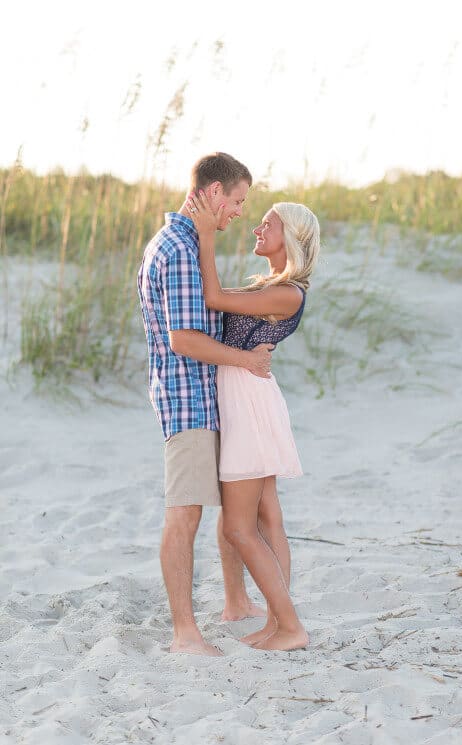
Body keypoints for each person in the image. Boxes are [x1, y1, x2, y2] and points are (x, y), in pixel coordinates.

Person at [136, 152, 272, 655]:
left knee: (229, 509)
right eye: (236, 200)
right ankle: (184, 634)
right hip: (187, 399)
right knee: (184, 514)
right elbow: (185, 339)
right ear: (214, 193)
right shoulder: (176, 248)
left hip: (206, 399)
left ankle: (235, 603)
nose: (238, 211)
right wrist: (245, 360)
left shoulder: (190, 243)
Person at [185, 193, 320, 652]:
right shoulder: (271, 286)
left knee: (240, 526)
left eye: (268, 224)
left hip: (248, 403)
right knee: (265, 516)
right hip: (247, 395)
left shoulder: (287, 292)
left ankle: (289, 625)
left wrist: (205, 234)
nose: (257, 230)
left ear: (293, 239)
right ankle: (276, 619)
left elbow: (214, 297)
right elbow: (223, 300)